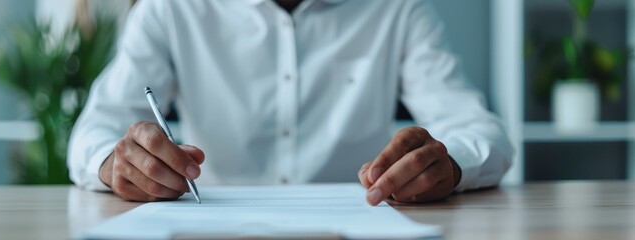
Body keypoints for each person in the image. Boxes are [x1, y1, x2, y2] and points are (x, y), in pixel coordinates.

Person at [68, 0, 513, 205]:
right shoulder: (169, 10)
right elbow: (92, 134)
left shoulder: (397, 9)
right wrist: (116, 163)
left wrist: (449, 165)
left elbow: (483, 132)